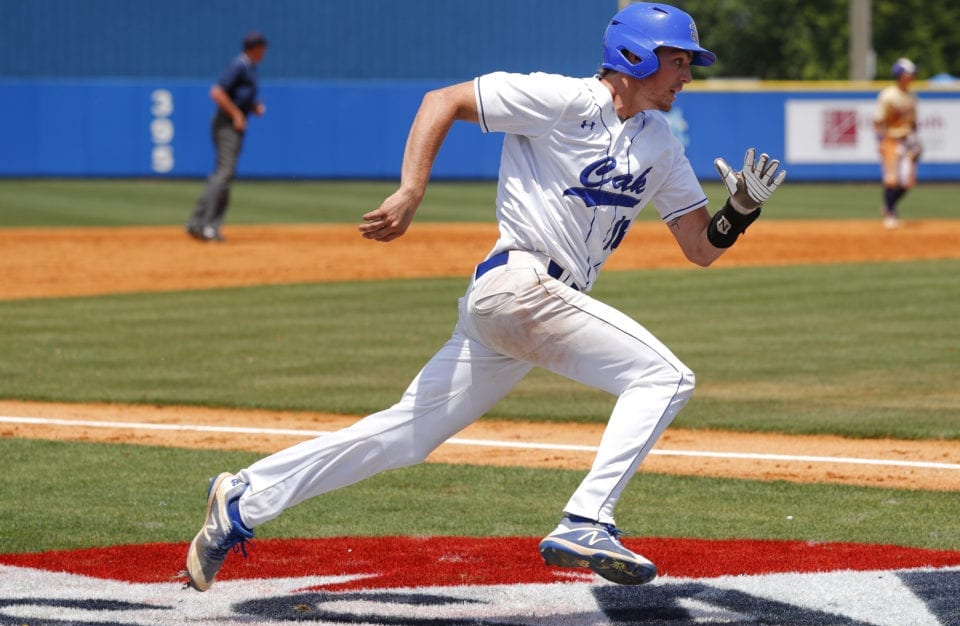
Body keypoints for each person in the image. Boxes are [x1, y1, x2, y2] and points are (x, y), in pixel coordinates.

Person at [184, 2, 786, 590]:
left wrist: (740, 211)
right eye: (679, 60)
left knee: (408, 434)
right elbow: (442, 101)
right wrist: (410, 190)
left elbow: (700, 246)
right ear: (632, 55)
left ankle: (243, 499)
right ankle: (587, 518)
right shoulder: (564, 100)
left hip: (526, 308)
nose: (688, 74)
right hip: (519, 285)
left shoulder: (660, 141)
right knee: (665, 378)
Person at [184, 32, 268, 242]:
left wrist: (251, 107)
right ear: (255, 48)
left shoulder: (249, 66)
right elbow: (217, 92)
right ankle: (208, 226)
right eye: (262, 47)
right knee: (224, 174)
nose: (264, 51)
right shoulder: (239, 65)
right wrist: (236, 113)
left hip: (230, 125)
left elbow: (236, 95)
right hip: (226, 125)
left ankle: (197, 223)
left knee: (223, 174)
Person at [874, 57, 921, 229]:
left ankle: (888, 206)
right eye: (910, 73)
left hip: (907, 140)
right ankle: (891, 212)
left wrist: (916, 141)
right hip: (891, 140)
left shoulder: (912, 97)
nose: (913, 76)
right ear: (900, 75)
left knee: (908, 182)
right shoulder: (888, 95)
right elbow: (878, 121)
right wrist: (880, 141)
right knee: (892, 180)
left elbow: (913, 123)